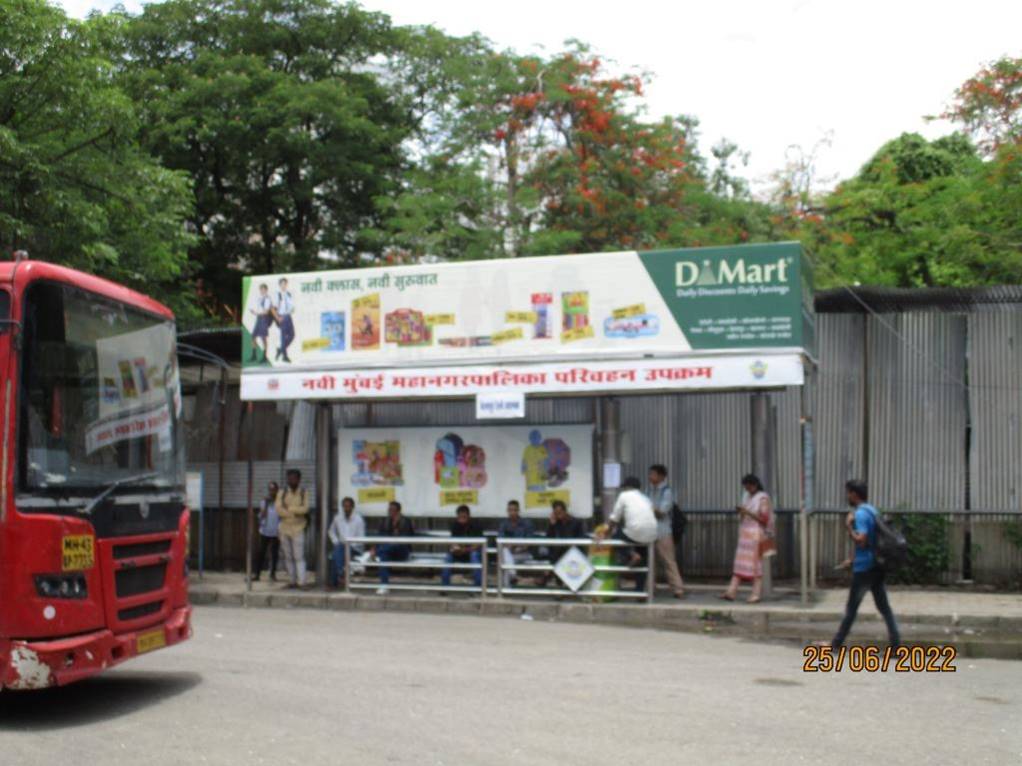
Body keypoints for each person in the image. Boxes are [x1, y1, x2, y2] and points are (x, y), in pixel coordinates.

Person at [831, 480, 900, 648]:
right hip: (876, 564)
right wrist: (852, 559)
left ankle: (835, 644)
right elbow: (872, 541)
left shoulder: (860, 514)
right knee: (884, 607)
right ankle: (896, 644)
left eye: (848, 493)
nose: (847, 496)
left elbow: (861, 540)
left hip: (864, 569)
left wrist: (848, 526)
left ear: (854, 494)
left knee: (851, 609)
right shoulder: (872, 510)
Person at [721, 473, 774, 603]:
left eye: (749, 487)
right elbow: (744, 516)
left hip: (756, 535)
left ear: (755, 485)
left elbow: (764, 519)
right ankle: (731, 591)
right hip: (745, 534)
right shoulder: (746, 496)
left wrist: (748, 512)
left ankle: (756, 594)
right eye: (745, 487)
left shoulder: (763, 498)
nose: (747, 490)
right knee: (740, 564)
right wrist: (742, 513)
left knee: (755, 565)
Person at [600, 476, 659, 592]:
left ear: (627, 487)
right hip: (652, 533)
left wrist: (606, 533)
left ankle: (631, 555)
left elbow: (615, 518)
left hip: (635, 530)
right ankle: (640, 592)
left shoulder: (624, 496)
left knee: (615, 537)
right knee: (642, 563)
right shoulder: (645, 498)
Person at [648, 464, 685, 598]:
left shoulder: (667, 492)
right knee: (650, 561)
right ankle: (650, 587)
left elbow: (662, 512)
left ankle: (678, 589)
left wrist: (648, 508)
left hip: (663, 531)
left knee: (669, 560)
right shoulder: (649, 490)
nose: (650, 476)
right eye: (650, 473)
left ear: (662, 476)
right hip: (650, 530)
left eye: (653, 474)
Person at [372, 501, 415, 595]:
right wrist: (374, 548)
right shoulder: (385, 521)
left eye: (393, 510)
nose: (390, 512)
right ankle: (384, 585)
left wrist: (398, 533)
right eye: (389, 510)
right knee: (384, 556)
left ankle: (384, 585)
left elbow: (408, 539)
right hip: (388, 552)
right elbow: (379, 537)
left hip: (402, 551)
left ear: (398, 511)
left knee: (386, 549)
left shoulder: (406, 521)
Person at [276, 469, 309, 589]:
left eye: (294, 478)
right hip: (284, 528)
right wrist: (295, 512)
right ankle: (292, 581)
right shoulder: (282, 492)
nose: (292, 480)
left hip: (298, 528)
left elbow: (305, 509)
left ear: (299, 479)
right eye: (290, 478)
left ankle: (302, 582)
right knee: (288, 556)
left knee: (299, 556)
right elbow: (278, 509)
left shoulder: (303, 492)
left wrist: (289, 508)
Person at [440, 505, 483, 589]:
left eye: (464, 517)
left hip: (471, 552)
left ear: (469, 516)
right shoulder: (455, 525)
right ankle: (444, 587)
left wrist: (465, 550)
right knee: (448, 557)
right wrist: (455, 548)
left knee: (474, 556)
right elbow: (452, 542)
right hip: (459, 553)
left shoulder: (476, 525)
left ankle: (478, 587)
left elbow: (478, 544)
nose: (462, 519)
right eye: (460, 517)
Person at [328, 496, 365, 589]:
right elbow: (331, 531)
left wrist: (348, 545)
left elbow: (361, 538)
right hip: (340, 547)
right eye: (344, 506)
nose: (346, 508)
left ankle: (335, 581)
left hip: (355, 548)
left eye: (348, 506)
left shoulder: (358, 520)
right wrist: (335, 541)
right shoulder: (338, 518)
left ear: (352, 507)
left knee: (336, 554)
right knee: (337, 553)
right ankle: (340, 575)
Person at [497, 499, 535, 587]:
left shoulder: (526, 523)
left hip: (524, 553)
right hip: (509, 553)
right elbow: (500, 541)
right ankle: (513, 576)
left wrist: (516, 547)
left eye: (514, 510)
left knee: (505, 558)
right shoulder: (504, 524)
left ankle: (506, 588)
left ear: (518, 511)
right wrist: (510, 547)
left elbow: (529, 543)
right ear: (507, 511)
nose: (512, 512)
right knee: (506, 555)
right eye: (510, 510)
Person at [253, 481, 280, 582]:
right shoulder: (264, 502)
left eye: (274, 489)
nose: (272, 492)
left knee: (274, 553)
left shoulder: (280, 502)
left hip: (276, 531)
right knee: (261, 553)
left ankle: (272, 574)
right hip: (265, 531)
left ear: (277, 490)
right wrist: (266, 506)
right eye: (270, 489)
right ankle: (257, 574)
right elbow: (261, 516)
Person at [249, 283, 274, 362]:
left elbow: (266, 312)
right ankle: (254, 355)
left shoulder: (267, 299)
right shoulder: (260, 298)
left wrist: (256, 313)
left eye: (263, 289)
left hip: (264, 319)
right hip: (259, 318)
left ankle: (265, 356)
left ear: (266, 290)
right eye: (261, 289)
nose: (262, 291)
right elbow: (258, 308)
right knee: (253, 336)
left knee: (263, 337)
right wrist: (253, 311)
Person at [274, 277, 295, 363]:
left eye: (285, 283)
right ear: (279, 285)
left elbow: (291, 306)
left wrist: (292, 310)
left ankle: (280, 350)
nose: (284, 285)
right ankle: (285, 357)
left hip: (288, 316)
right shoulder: (277, 294)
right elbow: (274, 307)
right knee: (283, 337)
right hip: (282, 316)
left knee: (292, 335)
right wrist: (278, 317)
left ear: (287, 284)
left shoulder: (289, 294)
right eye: (282, 284)